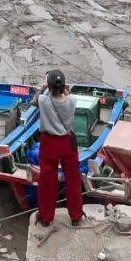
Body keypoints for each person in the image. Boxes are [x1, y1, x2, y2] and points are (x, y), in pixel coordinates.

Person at [35, 69, 84, 227]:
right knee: (73, 180)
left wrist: (43, 86)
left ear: (49, 86)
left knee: (48, 182)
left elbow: (33, 101)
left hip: (50, 143)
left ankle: (46, 217)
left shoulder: (44, 100)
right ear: (64, 86)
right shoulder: (73, 100)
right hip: (67, 143)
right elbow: (66, 95)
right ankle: (76, 216)